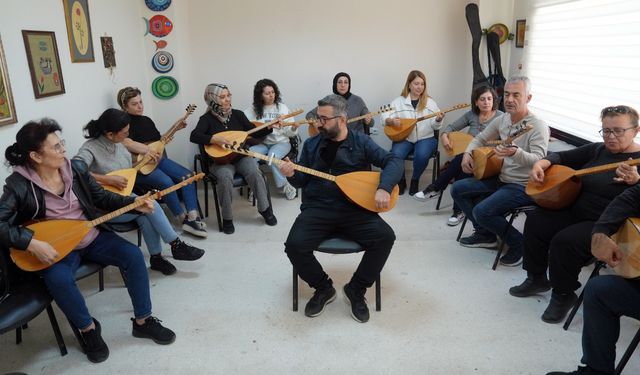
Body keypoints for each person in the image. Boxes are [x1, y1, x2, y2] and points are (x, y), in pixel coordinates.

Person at [0, 119, 176, 363]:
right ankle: (88, 330)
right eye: (56, 147)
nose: (63, 150)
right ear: (36, 156)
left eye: (61, 143)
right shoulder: (18, 185)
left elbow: (101, 197)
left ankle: (143, 321)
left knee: (134, 256)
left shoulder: (73, 169)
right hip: (57, 248)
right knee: (57, 278)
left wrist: (134, 204)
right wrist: (31, 242)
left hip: (91, 236)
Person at [510, 105, 640, 324]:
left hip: (608, 225)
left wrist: (636, 181)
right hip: (575, 210)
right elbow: (560, 156)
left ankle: (563, 294)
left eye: (618, 131)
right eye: (606, 130)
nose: (610, 136)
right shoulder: (598, 150)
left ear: (635, 130)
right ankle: (536, 278)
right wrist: (541, 164)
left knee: (565, 241)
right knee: (536, 219)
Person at [281, 94, 403, 323]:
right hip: (318, 207)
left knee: (385, 237)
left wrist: (384, 187)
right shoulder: (312, 144)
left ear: (343, 119)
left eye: (324, 119)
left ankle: (356, 289)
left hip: (355, 208)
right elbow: (301, 182)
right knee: (294, 246)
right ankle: (323, 287)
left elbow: (393, 161)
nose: (319, 124)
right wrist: (290, 174)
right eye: (318, 118)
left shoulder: (361, 142)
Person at [74, 108, 205, 276]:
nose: (127, 135)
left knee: (145, 212)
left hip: (126, 198)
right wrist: (107, 180)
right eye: (124, 132)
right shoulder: (90, 149)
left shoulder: (119, 144)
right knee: (151, 205)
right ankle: (176, 245)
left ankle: (157, 258)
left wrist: (144, 162)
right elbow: (75, 171)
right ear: (109, 134)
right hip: (105, 205)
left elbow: (128, 171)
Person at [451, 75, 549, 266]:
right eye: (506, 94)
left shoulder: (538, 126)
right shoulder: (503, 120)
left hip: (523, 186)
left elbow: (540, 160)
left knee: (482, 210)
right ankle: (486, 234)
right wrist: (467, 154)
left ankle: (518, 243)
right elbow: (479, 139)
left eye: (516, 95)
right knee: (457, 189)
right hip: (501, 178)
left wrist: (515, 152)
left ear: (528, 98)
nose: (510, 99)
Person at [546, 184, 640, 375]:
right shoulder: (597, 152)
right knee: (599, 290)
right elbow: (632, 195)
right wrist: (601, 231)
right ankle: (596, 371)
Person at [117, 86, 207, 238]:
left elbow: (159, 142)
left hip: (157, 160)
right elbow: (126, 143)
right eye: (134, 104)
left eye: (141, 102)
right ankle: (181, 219)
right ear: (124, 107)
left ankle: (193, 217)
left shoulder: (146, 120)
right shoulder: (122, 123)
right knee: (166, 182)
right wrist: (147, 150)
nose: (140, 106)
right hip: (139, 166)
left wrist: (175, 129)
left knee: (188, 175)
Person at [190, 83, 277, 235]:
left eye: (228, 95)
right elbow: (194, 136)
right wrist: (214, 140)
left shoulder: (237, 115)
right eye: (222, 97)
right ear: (212, 99)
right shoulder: (206, 119)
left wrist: (269, 127)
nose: (227, 99)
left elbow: (253, 132)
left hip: (241, 156)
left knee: (255, 173)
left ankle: (265, 210)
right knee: (224, 177)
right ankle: (228, 218)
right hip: (220, 162)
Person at [414, 85, 503, 226]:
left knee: (461, 160)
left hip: (489, 159)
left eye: (489, 99)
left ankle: (435, 188)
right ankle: (459, 211)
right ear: (476, 102)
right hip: (469, 156)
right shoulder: (472, 115)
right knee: (463, 163)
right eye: (482, 99)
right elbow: (450, 128)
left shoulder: (501, 117)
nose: (486, 102)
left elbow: (505, 141)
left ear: (494, 101)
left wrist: (488, 145)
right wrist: (444, 136)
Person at [381, 70, 444, 195]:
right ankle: (401, 180)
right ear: (409, 84)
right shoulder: (398, 101)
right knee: (395, 154)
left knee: (422, 155)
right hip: (405, 138)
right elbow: (384, 116)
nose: (419, 87)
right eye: (416, 84)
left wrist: (438, 120)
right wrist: (391, 121)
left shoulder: (430, 102)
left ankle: (415, 179)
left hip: (426, 138)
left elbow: (435, 126)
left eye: (422, 84)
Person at [243, 79, 298, 200]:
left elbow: (289, 133)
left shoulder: (282, 108)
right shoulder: (252, 110)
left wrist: (293, 128)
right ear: (260, 95)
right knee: (249, 157)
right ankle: (256, 188)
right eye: (267, 93)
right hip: (261, 143)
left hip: (281, 143)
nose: (271, 95)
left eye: (273, 92)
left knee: (273, 156)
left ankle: (286, 186)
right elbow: (244, 125)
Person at [306, 72, 374, 135]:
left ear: (349, 85)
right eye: (339, 82)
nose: (343, 85)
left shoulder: (358, 101)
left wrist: (368, 120)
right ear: (335, 84)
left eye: (346, 82)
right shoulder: (328, 100)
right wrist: (315, 123)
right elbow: (309, 115)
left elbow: (371, 123)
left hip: (355, 142)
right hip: (332, 139)